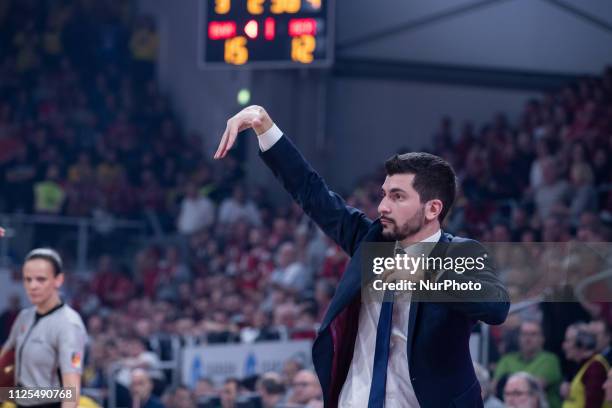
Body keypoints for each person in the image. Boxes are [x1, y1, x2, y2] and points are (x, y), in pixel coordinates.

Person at [214, 106, 510, 407]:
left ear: (433, 209)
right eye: (384, 194)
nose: (382, 206)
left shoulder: (459, 252)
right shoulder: (371, 241)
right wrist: (265, 127)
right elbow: (312, 192)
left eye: (397, 197)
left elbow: (495, 306)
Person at [0, 248, 88, 408]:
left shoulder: (69, 324)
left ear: (58, 280)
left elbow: (71, 392)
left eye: (41, 279)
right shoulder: (24, 317)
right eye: (28, 279)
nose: (32, 286)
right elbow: (5, 360)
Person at [494, 320, 562, 408]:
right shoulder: (506, 359)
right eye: (524, 334)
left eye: (533, 334)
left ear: (542, 338)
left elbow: (535, 386)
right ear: (518, 338)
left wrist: (509, 379)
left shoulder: (550, 359)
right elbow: (495, 386)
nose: (528, 338)